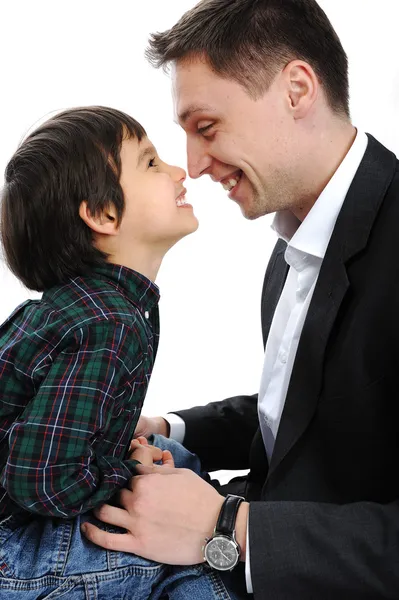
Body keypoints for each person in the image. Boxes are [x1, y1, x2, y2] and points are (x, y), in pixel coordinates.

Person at [80, 0, 399, 598]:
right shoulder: (292, 247)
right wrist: (168, 426)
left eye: (206, 128)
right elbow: (311, 412)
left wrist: (230, 526)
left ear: (297, 89)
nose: (194, 166)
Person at [0, 106, 244, 599]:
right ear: (102, 214)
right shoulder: (110, 322)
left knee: (178, 460)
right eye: (152, 164)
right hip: (19, 548)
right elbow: (42, 479)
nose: (180, 171)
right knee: (198, 567)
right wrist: (123, 473)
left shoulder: (84, 306)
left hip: (20, 520)